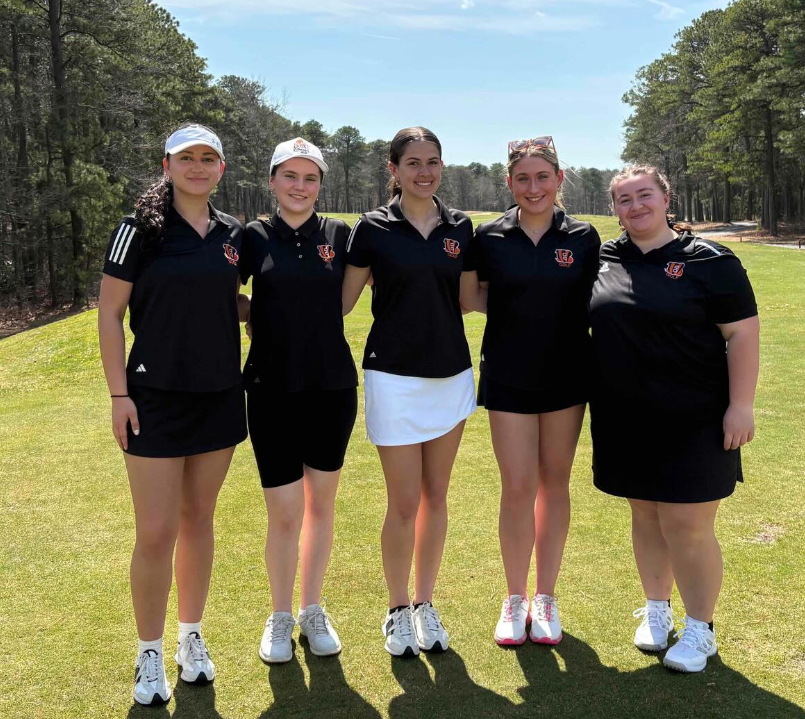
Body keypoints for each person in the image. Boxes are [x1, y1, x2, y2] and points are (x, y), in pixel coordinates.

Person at [589, 165, 759, 673]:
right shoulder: (604, 258)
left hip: (696, 416)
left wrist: (741, 405)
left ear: (667, 198)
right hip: (624, 416)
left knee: (687, 523)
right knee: (645, 513)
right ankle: (658, 611)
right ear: (614, 209)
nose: (635, 206)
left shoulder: (710, 260)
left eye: (645, 195)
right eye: (624, 199)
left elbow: (742, 335)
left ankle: (700, 629)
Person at [98, 124, 246, 705]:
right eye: (188, 157)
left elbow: (218, 295)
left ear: (221, 169)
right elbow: (110, 313)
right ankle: (150, 652)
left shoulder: (233, 234)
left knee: (198, 520)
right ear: (167, 165)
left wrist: (252, 308)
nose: (199, 166)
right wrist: (118, 395)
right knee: (157, 531)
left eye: (209, 158)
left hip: (218, 398)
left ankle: (191, 637)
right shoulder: (138, 231)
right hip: (153, 399)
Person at [461, 137, 601, 646]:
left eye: (543, 177)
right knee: (518, 487)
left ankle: (546, 596)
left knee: (554, 483)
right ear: (509, 183)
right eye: (523, 178)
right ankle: (515, 596)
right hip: (508, 375)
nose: (534, 187)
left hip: (567, 378)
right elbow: (469, 296)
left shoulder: (584, 237)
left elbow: (599, 301)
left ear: (559, 180)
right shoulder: (490, 236)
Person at [342, 127, 476, 657]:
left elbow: (467, 300)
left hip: (451, 376)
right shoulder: (372, 228)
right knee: (403, 501)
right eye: (413, 162)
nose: (425, 171)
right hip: (392, 377)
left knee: (436, 497)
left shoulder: (461, 226)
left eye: (434, 161)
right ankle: (398, 609)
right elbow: (342, 302)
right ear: (393, 169)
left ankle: (425, 603)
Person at [238, 138, 358, 664]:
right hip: (270, 390)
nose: (300, 186)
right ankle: (280, 615)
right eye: (290, 176)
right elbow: (223, 290)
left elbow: (347, 300)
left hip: (331, 388)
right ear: (271, 181)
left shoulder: (338, 234)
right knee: (284, 512)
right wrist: (253, 317)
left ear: (320, 185)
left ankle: (313, 609)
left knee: (320, 507)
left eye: (310, 178)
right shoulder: (252, 236)